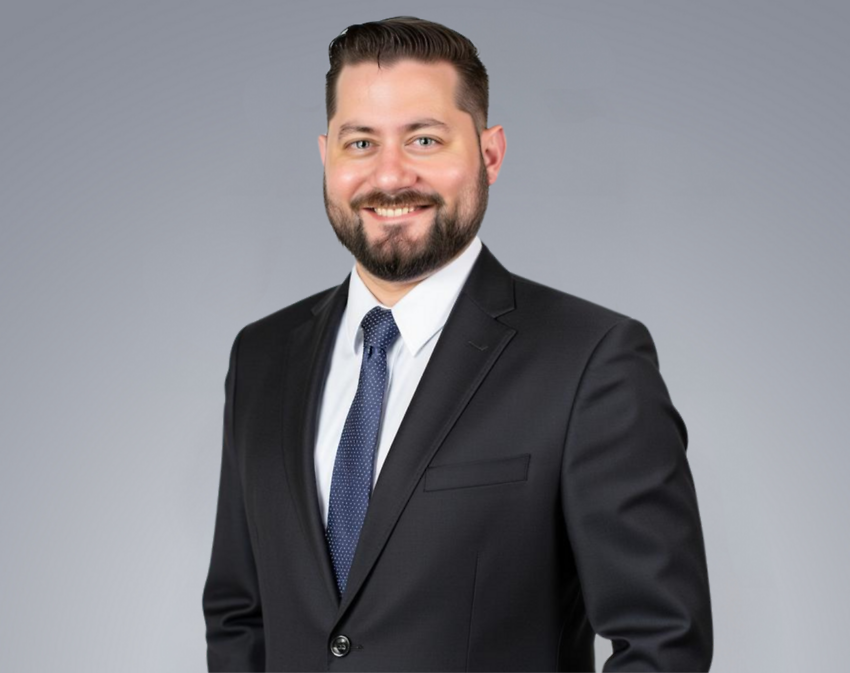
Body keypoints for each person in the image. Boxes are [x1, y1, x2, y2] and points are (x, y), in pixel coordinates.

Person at [202, 16, 712, 672]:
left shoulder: (591, 362)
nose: (390, 174)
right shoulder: (262, 356)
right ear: (327, 156)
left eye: (424, 138)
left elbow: (662, 641)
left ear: (489, 154)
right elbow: (239, 616)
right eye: (361, 142)